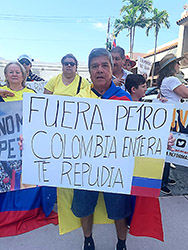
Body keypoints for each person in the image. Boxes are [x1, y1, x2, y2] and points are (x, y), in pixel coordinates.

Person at [0, 61, 57, 236]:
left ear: (24, 75)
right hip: (6, 145)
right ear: (6, 75)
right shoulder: (1, 93)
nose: (15, 74)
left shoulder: (31, 94)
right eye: (11, 72)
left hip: (26, 145)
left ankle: (29, 211)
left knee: (25, 180)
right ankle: (7, 212)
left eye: (18, 71)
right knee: (7, 180)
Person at [157, 53, 188, 194]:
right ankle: (162, 181)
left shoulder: (167, 80)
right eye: (177, 63)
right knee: (169, 149)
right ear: (171, 66)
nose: (179, 65)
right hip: (172, 118)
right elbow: (186, 93)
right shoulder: (171, 80)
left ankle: (165, 178)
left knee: (168, 149)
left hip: (170, 117)